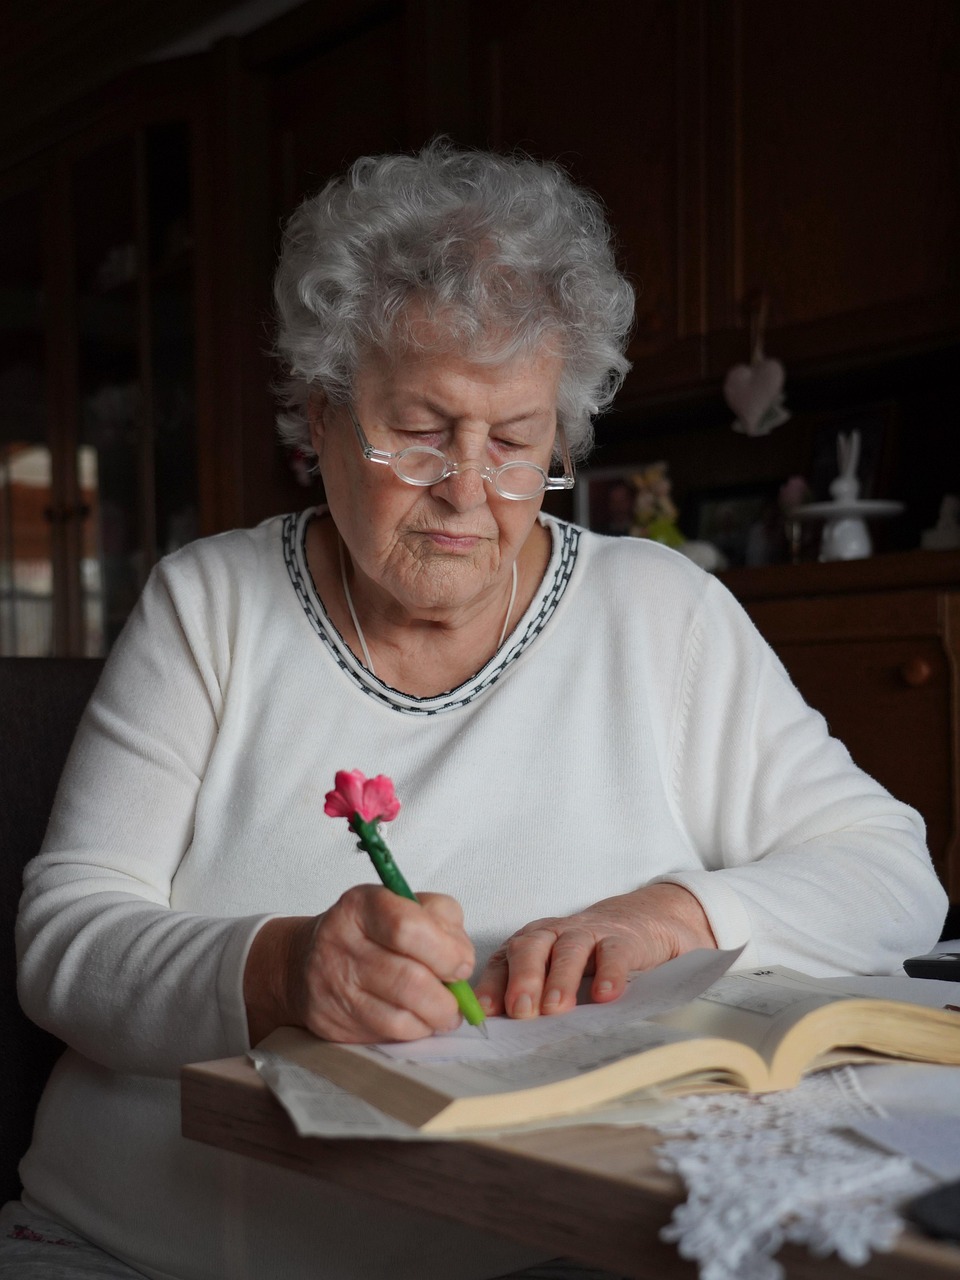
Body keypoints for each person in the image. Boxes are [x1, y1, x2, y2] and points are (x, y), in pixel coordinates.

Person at [6, 141, 946, 1280]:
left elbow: (892, 872)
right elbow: (64, 940)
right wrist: (281, 971)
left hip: (541, 1247)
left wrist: (674, 913)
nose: (466, 491)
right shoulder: (209, 604)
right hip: (147, 1248)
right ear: (320, 418)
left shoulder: (663, 613)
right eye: (420, 429)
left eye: (513, 441)